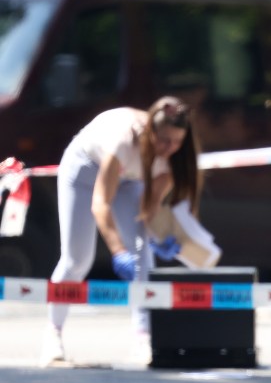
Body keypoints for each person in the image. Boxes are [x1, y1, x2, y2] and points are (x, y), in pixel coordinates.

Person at [42, 97, 202, 366]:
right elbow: (100, 204)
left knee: (143, 254)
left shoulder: (173, 158)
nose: (169, 148)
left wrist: (158, 237)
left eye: (176, 142)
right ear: (150, 130)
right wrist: (117, 252)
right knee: (77, 259)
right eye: (163, 140)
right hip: (85, 169)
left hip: (129, 179)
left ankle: (143, 336)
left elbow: (147, 211)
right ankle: (53, 334)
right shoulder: (123, 142)